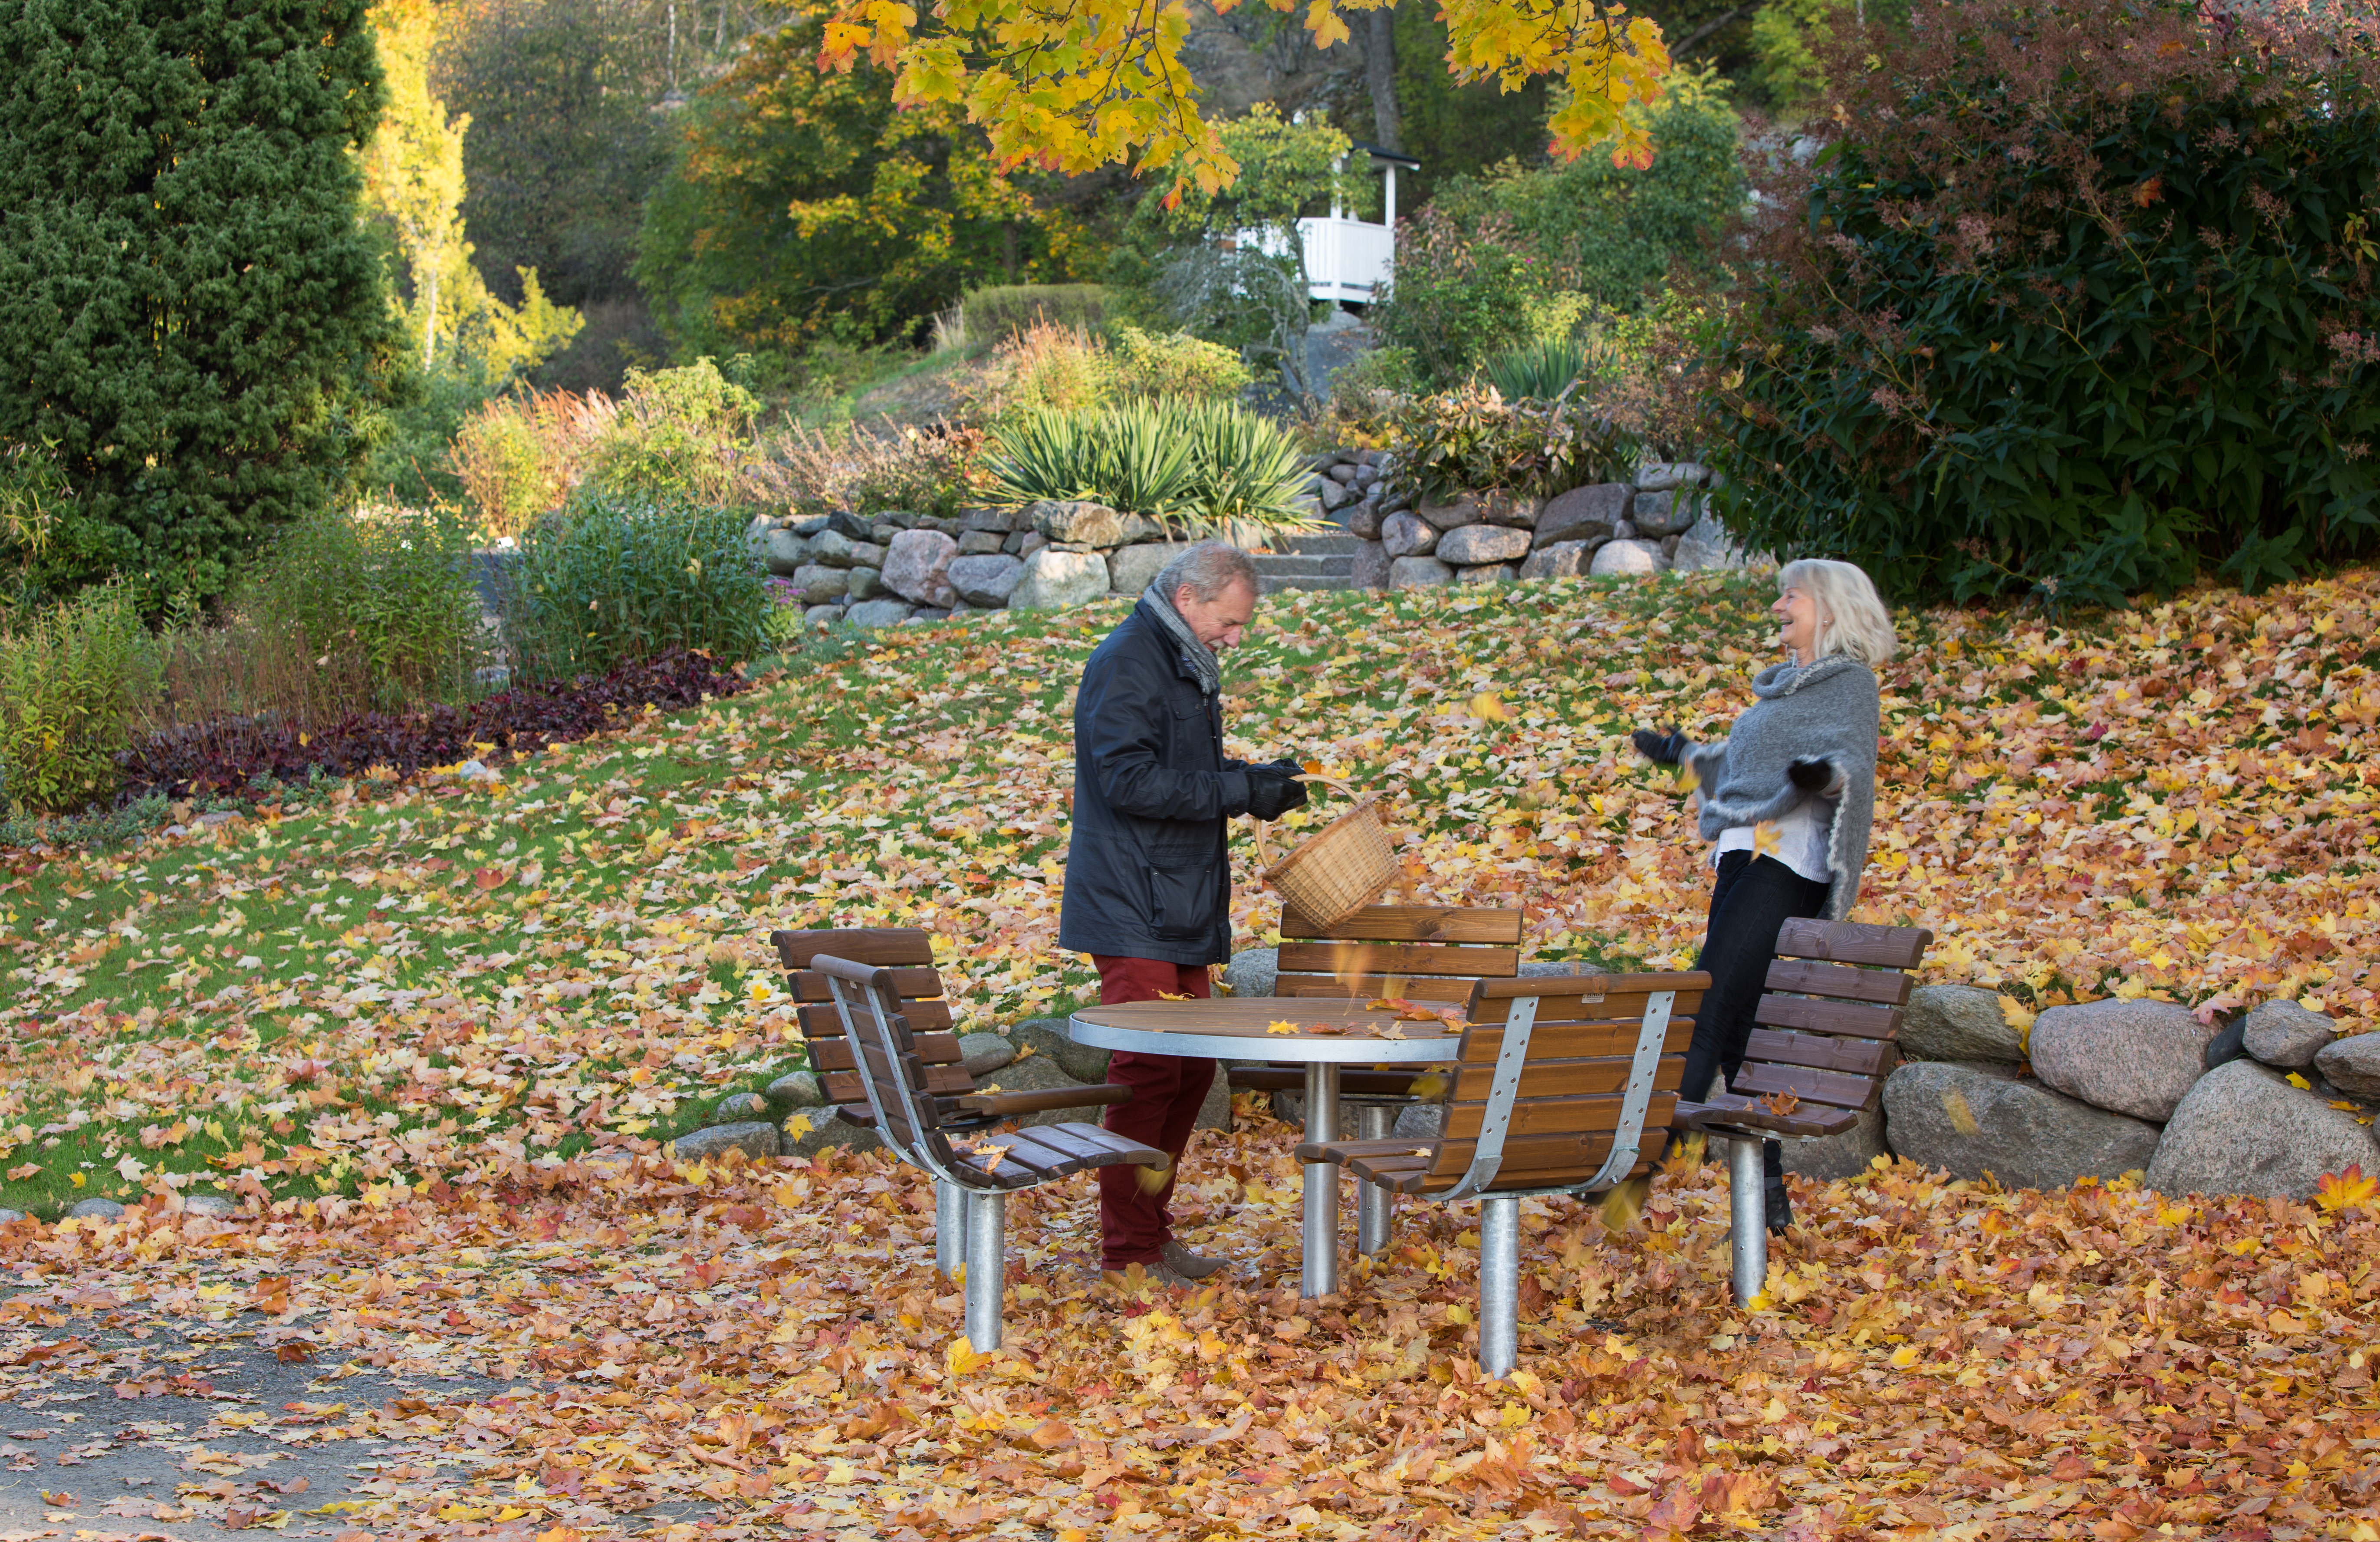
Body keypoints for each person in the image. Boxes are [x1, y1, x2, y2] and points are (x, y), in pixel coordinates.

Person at [1059, 541, 1309, 1288]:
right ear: (1189, 598)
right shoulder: (1129, 660)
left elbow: (1178, 773)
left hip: (1175, 898)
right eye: (1229, 623)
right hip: (1133, 900)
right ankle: (1128, 1253)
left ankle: (1150, 1235)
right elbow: (1130, 782)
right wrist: (1239, 795)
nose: (1236, 639)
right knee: (1151, 1071)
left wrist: (1252, 780)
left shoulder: (1179, 661)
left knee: (1192, 1070)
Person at [1630, 558, 1896, 1232]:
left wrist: (1823, 773)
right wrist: (1686, 753)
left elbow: (1849, 767)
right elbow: (1744, 767)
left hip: (1791, 866)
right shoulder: (1779, 691)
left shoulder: (1850, 685)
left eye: (1791, 595)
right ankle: (1768, 1193)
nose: (1778, 604)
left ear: (1829, 608)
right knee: (1739, 1035)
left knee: (1705, 1005)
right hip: (1742, 857)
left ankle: (1636, 1169)